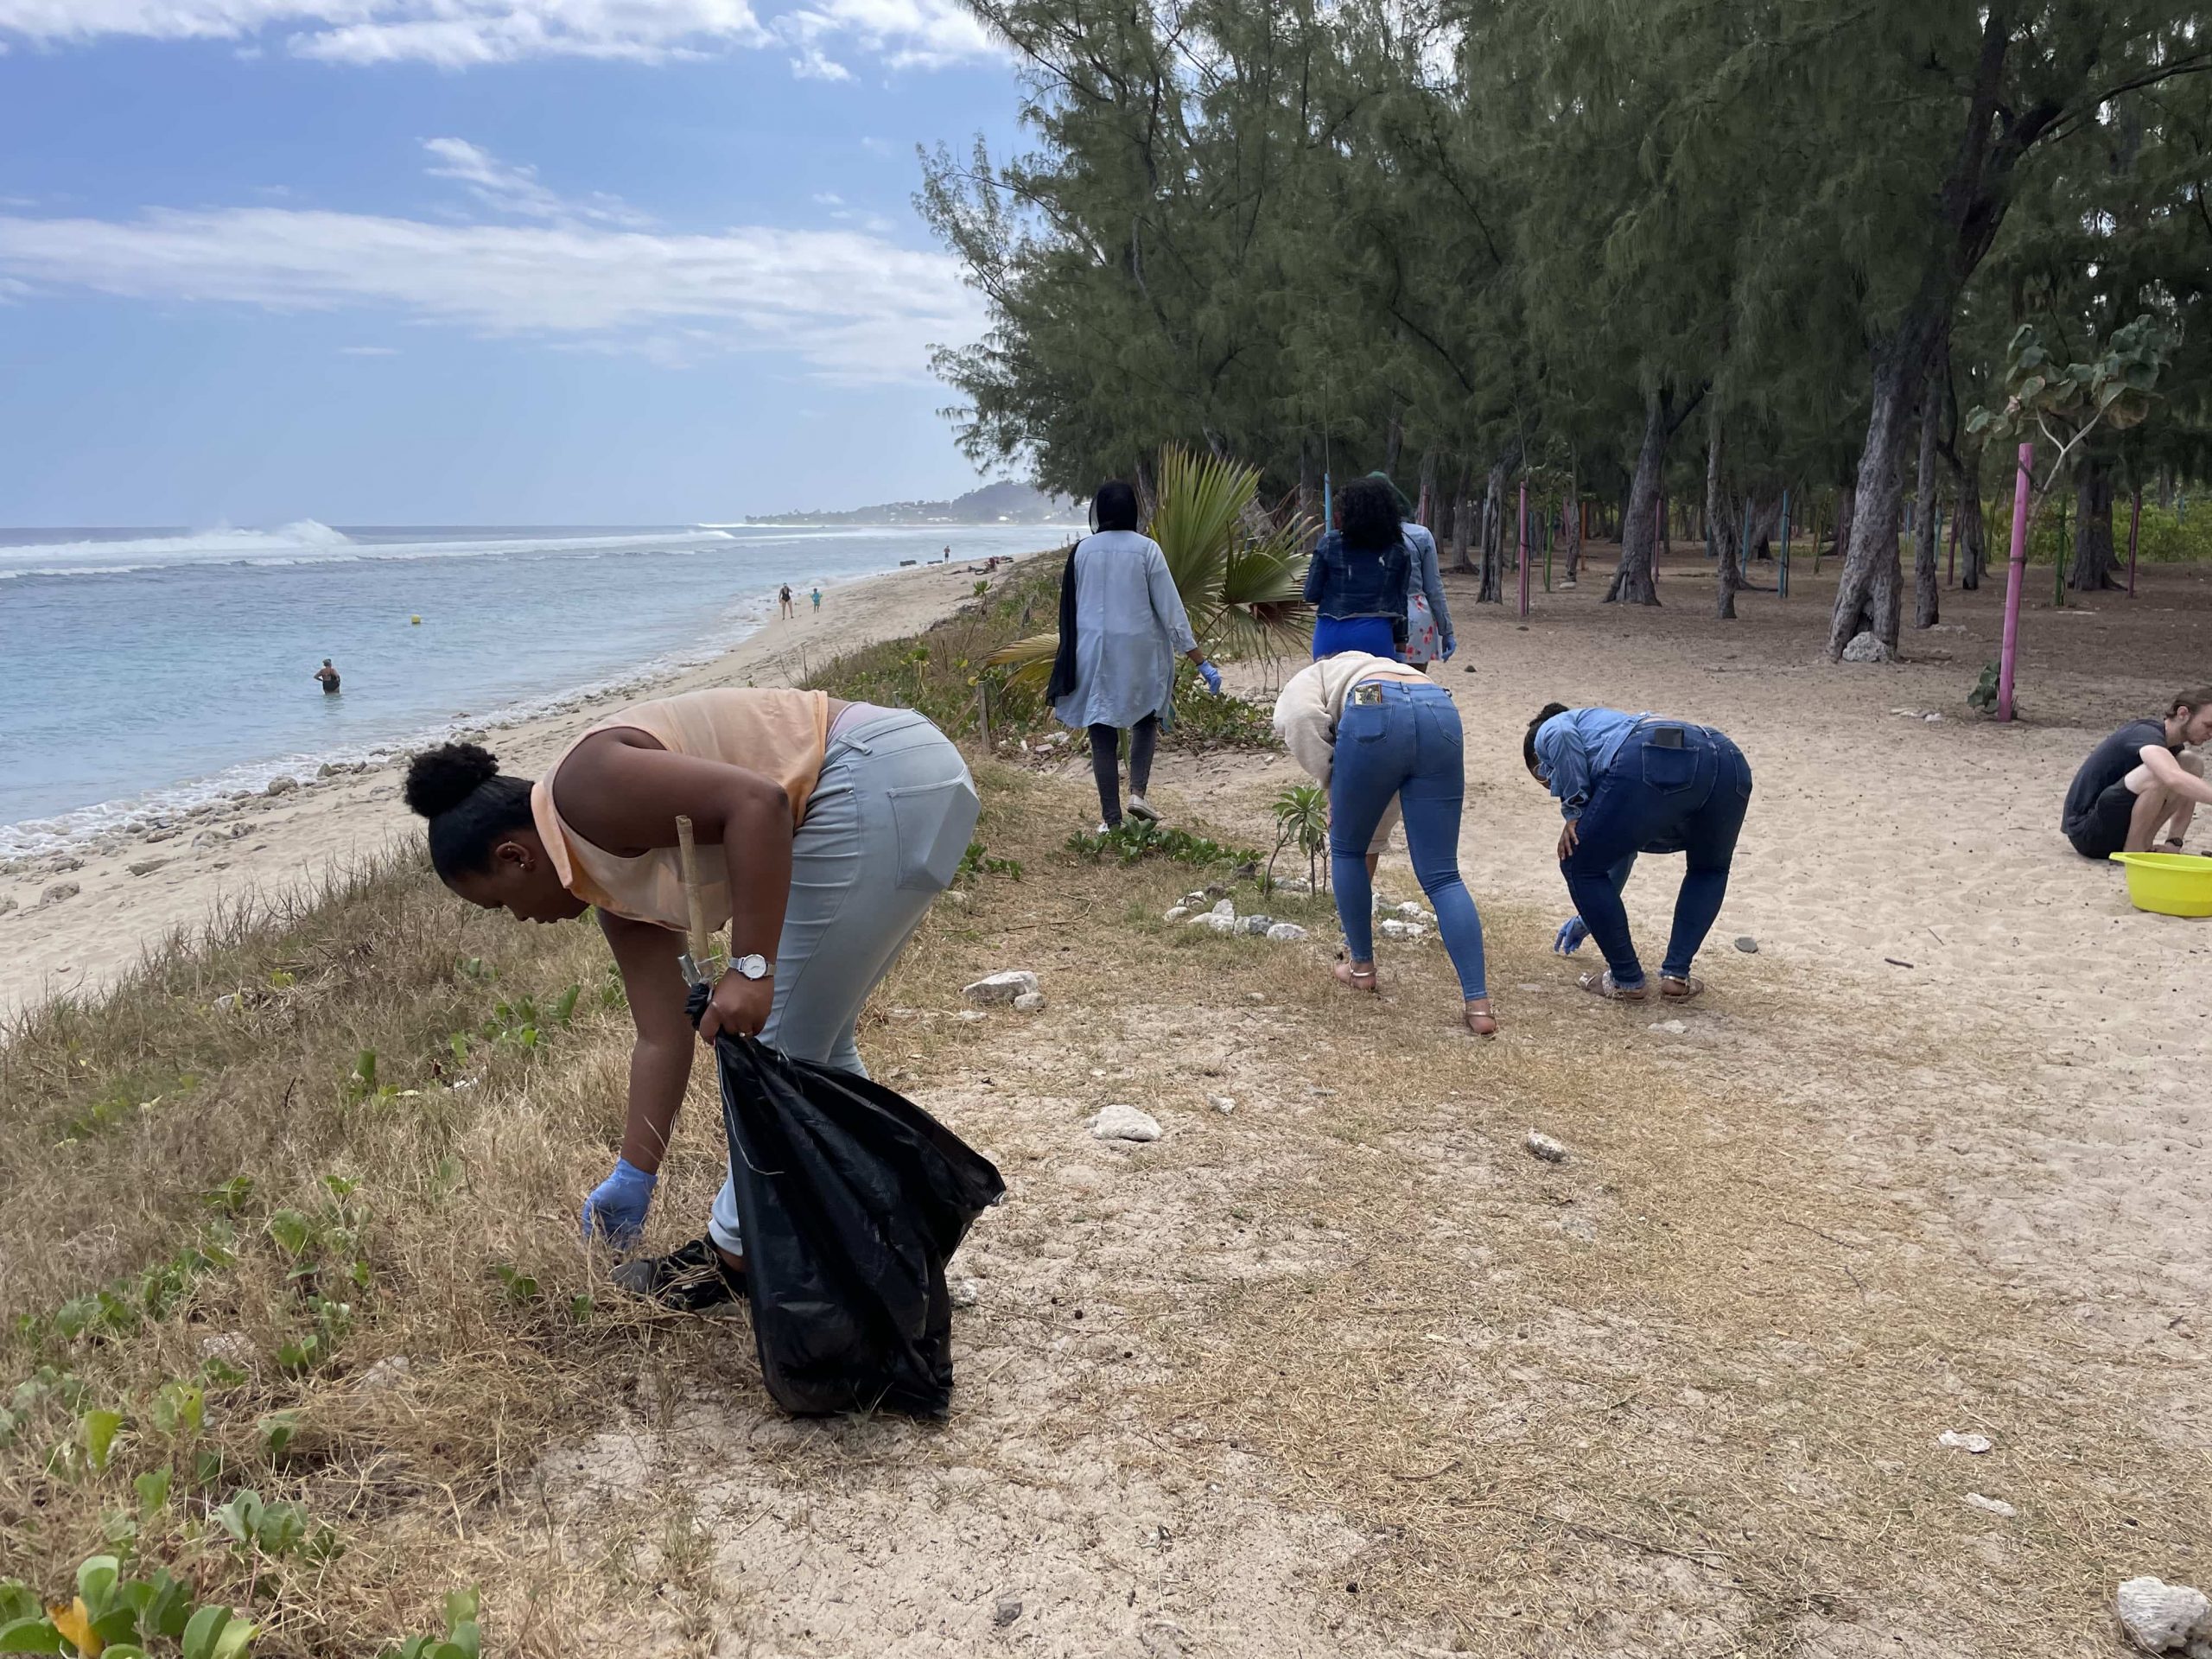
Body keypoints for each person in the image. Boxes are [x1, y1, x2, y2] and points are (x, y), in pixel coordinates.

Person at [402, 686, 978, 1313]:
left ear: (514, 858)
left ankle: (732, 1258)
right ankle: (889, 1234)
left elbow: (756, 802)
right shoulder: (613, 890)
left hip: (874, 773)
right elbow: (661, 1035)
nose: (517, 918)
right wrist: (634, 1174)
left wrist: (751, 968)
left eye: (499, 903)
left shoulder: (583, 787)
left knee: (774, 1053)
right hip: (905, 780)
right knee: (817, 1056)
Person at [1274, 652, 1494, 1035]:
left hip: (1371, 704)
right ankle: (1478, 1005)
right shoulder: (1392, 667)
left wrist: (1331, 780)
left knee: (1346, 848)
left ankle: (1361, 968)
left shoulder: (1317, 674)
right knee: (1443, 875)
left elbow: (1297, 719)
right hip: (1439, 706)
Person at [1526, 702, 1751, 1002]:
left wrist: (1574, 809)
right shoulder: (1610, 728)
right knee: (1709, 868)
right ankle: (1676, 977)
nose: (1549, 786)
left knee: (1577, 861)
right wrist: (1588, 918)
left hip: (1658, 754)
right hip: (1729, 759)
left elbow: (1561, 733)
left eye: (1544, 778)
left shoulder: (1552, 728)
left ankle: (1626, 979)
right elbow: (1619, 854)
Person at [1048, 480, 1223, 830]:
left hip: (1092, 650)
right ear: (1133, 512)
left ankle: (1111, 821)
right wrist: (1200, 660)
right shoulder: (1147, 550)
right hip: (1141, 649)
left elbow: (1071, 609)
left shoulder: (1081, 552)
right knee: (1146, 717)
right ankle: (1138, 793)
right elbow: (1171, 611)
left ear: (1099, 512)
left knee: (1101, 728)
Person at [2061, 690, 2212, 859]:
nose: (2211, 733)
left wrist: (2173, 842)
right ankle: (2135, 852)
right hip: (2089, 833)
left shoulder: (2172, 748)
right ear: (2182, 713)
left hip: (2119, 829)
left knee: (2190, 763)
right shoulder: (2144, 733)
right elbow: (2172, 777)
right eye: (2208, 725)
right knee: (2160, 772)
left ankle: (2151, 845)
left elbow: (2184, 783)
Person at [1305, 477, 1412, 659]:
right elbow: (1401, 603)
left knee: (1329, 687)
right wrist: (1400, 644)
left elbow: (1311, 594)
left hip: (1332, 634)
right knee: (1371, 688)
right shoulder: (1398, 552)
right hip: (1375, 637)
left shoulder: (1329, 543)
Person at [1360, 472, 1455, 671]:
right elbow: (1434, 589)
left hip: (1370, 621)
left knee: (1370, 690)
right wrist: (1447, 631)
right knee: (1413, 686)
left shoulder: (1355, 537)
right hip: (1416, 622)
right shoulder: (1420, 535)